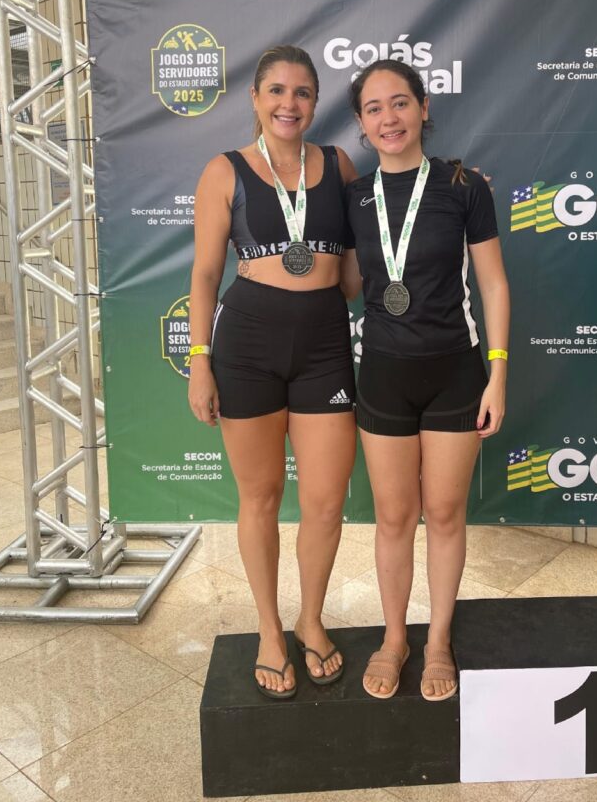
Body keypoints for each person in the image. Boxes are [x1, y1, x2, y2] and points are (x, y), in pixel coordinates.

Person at [188, 45, 360, 697]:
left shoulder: (339, 165)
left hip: (324, 346)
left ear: (315, 102)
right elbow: (206, 274)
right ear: (256, 99)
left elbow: (354, 274)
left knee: (324, 502)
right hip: (248, 346)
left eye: (303, 92)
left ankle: (311, 620)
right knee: (259, 498)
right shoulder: (224, 170)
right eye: (278, 91)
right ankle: (268, 628)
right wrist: (199, 362)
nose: (290, 103)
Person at [345, 59, 510, 701]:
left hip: (455, 373)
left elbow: (492, 283)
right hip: (383, 373)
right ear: (361, 123)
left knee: (443, 513)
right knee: (393, 516)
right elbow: (345, 280)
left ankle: (437, 639)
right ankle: (394, 638)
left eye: (400, 103)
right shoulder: (353, 198)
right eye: (374, 108)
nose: (389, 118)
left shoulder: (464, 186)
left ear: (423, 108)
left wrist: (498, 373)